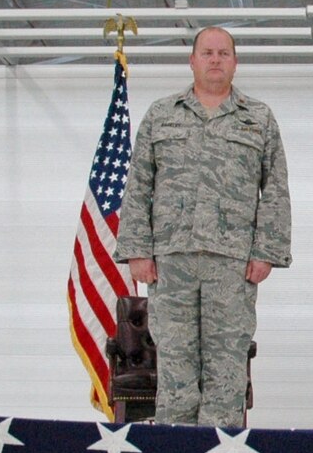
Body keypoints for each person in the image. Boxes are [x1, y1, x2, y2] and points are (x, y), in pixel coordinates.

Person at [117, 26, 291, 427]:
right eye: (207, 53)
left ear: (235, 62)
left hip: (232, 266)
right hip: (171, 262)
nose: (215, 60)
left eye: (223, 53)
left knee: (226, 369)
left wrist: (266, 252)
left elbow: (276, 189)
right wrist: (137, 250)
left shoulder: (258, 119)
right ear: (192, 60)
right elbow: (139, 183)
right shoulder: (161, 115)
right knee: (176, 367)